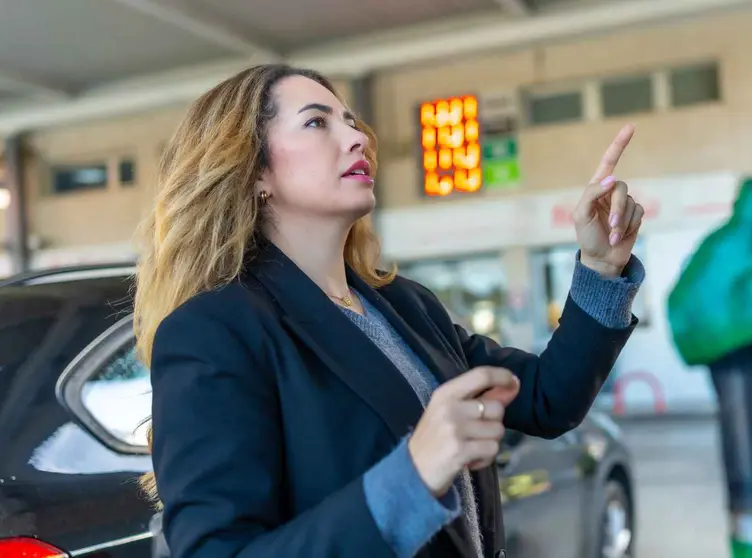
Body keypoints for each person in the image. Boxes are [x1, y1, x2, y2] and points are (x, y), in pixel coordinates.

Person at [135, 63, 647, 558]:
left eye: (350, 121)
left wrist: (601, 268)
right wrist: (412, 475)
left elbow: (546, 399)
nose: (356, 138)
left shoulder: (406, 305)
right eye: (316, 123)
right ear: (254, 173)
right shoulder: (214, 332)